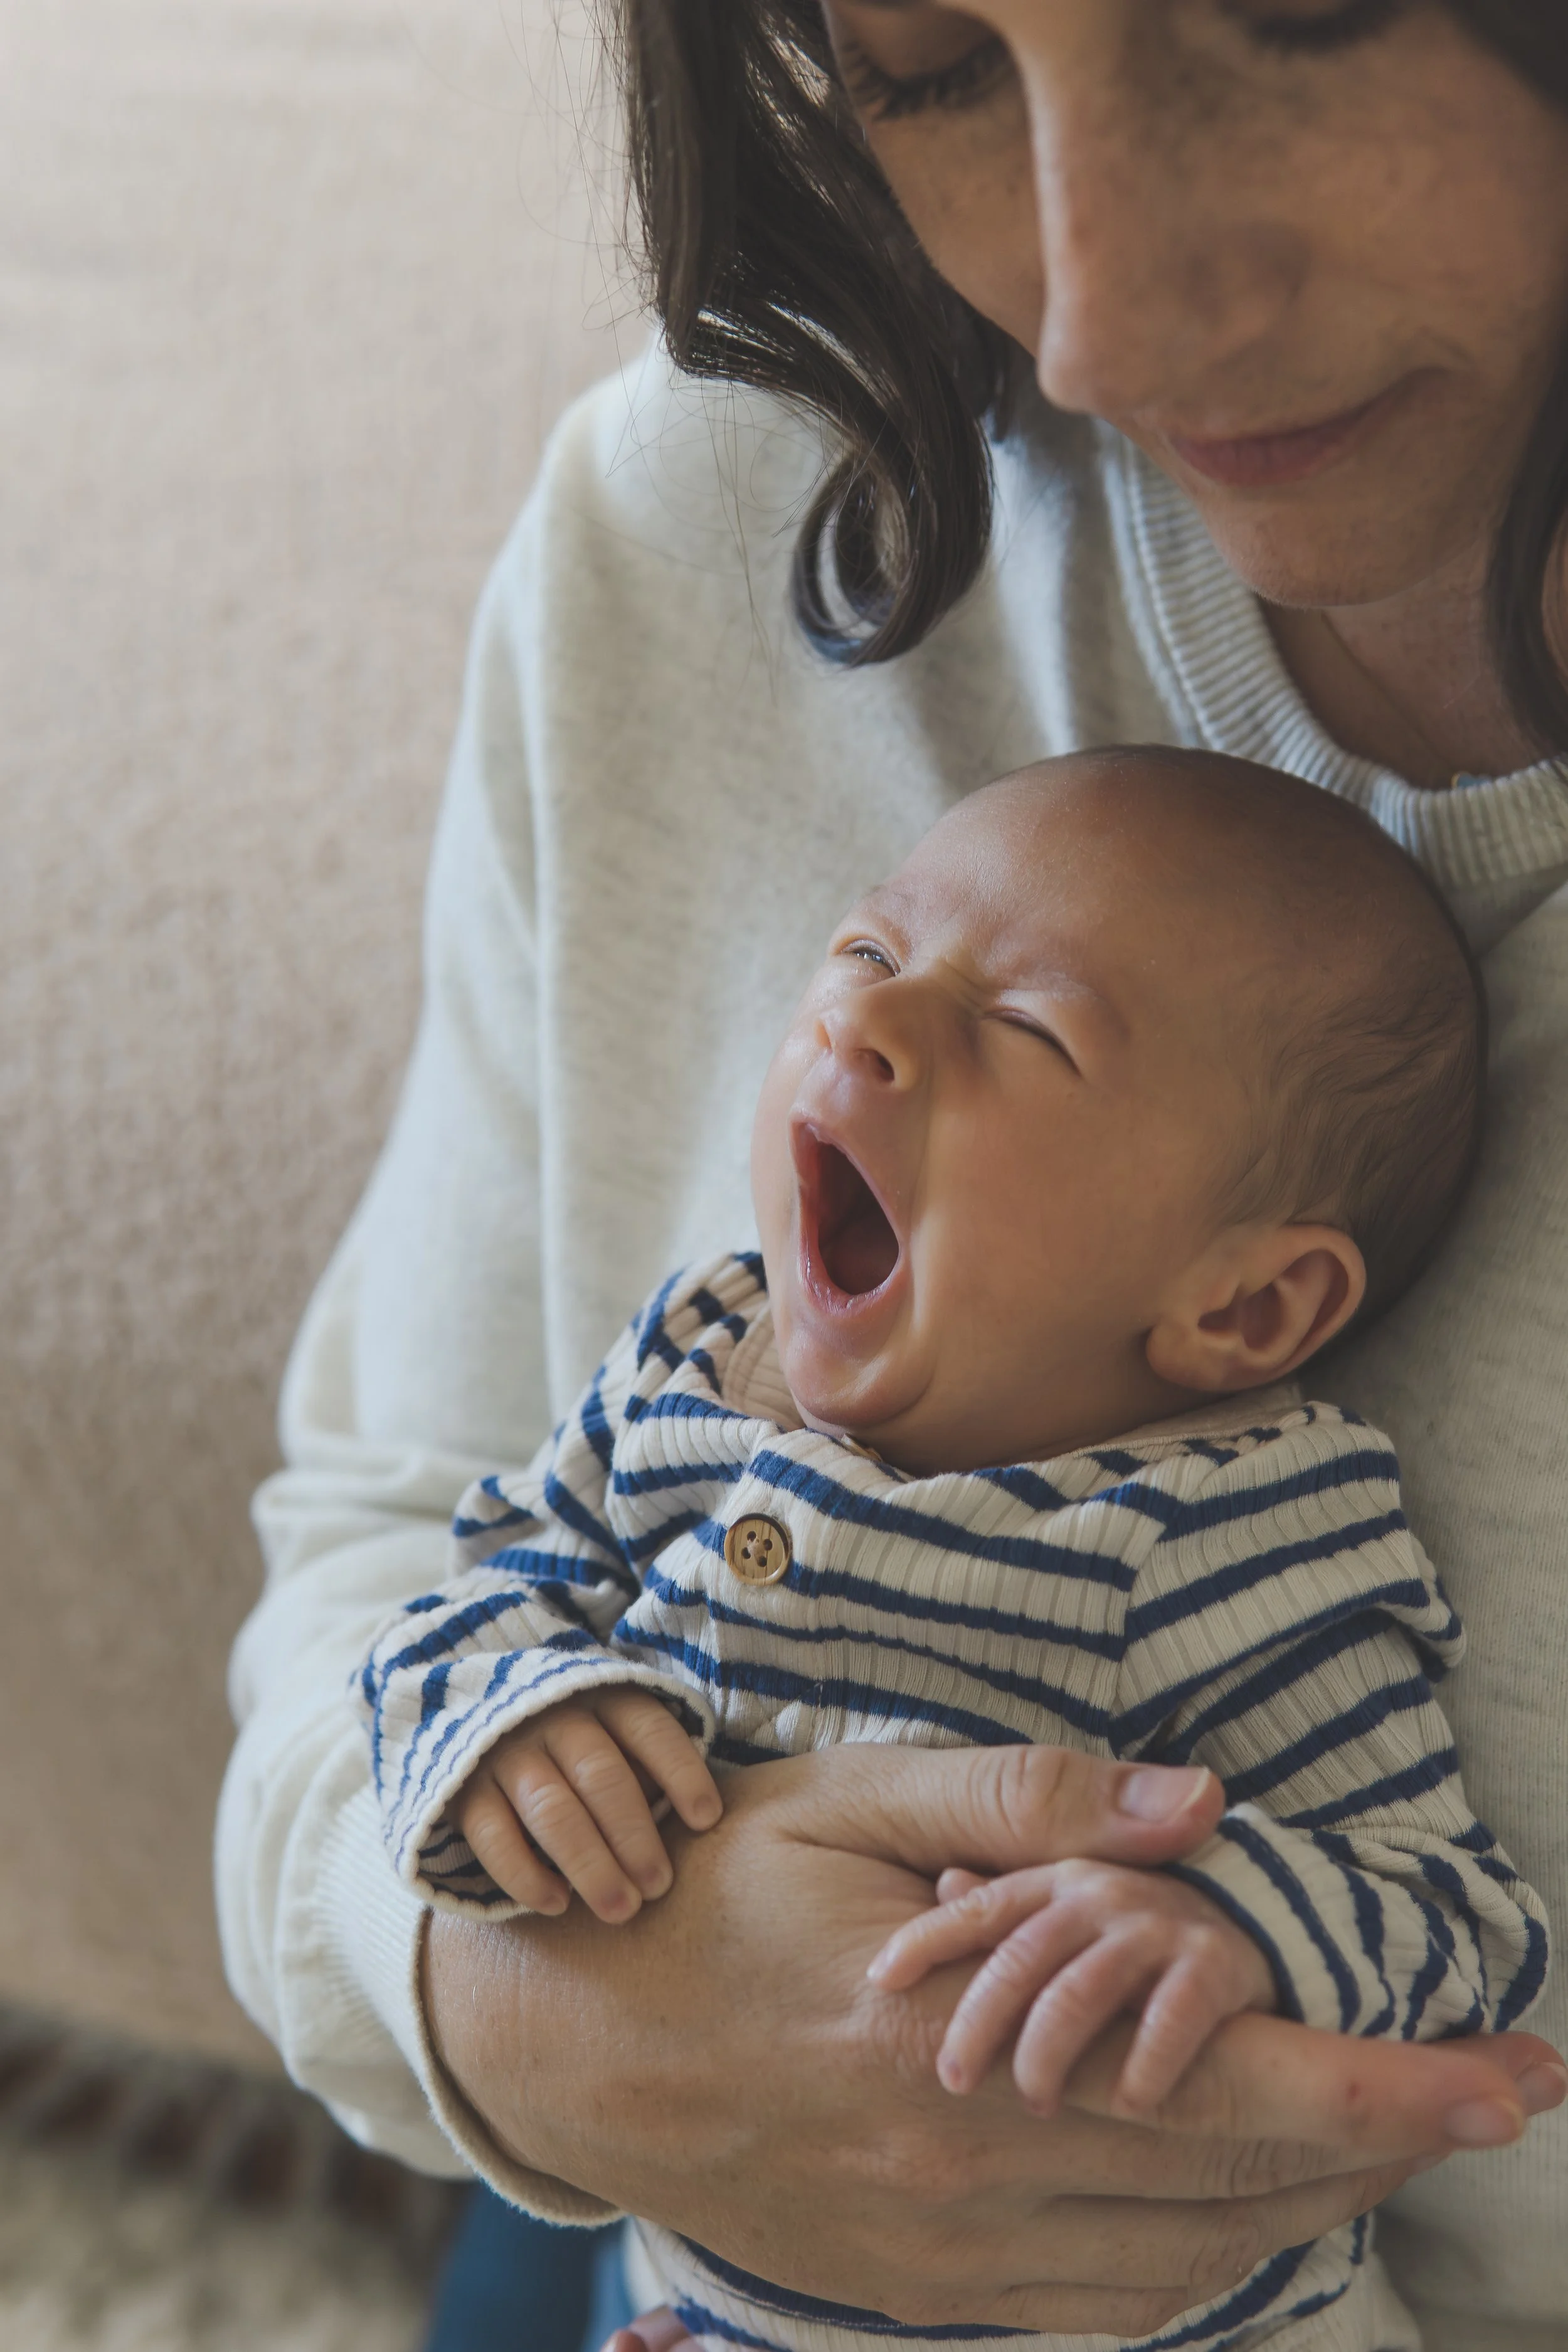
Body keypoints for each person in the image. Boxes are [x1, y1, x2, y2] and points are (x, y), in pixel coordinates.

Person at [215, 4, 1568, 2346]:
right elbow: (398, 1541)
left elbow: (1430, 1911)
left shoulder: (1254, 1550)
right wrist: (533, 2010)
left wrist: (1225, 1936)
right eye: (934, 62)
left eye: (1302, 10)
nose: (1101, 311)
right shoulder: (718, 514)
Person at [357, 751, 1546, 2350]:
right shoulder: (697, 1361)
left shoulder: (1221, 1530)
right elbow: (475, 1587)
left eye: (1025, 1031)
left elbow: (1453, 1922)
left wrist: (1229, 1924)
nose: (865, 1024)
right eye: (866, 954)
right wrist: (513, 1722)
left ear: (1243, 1307)